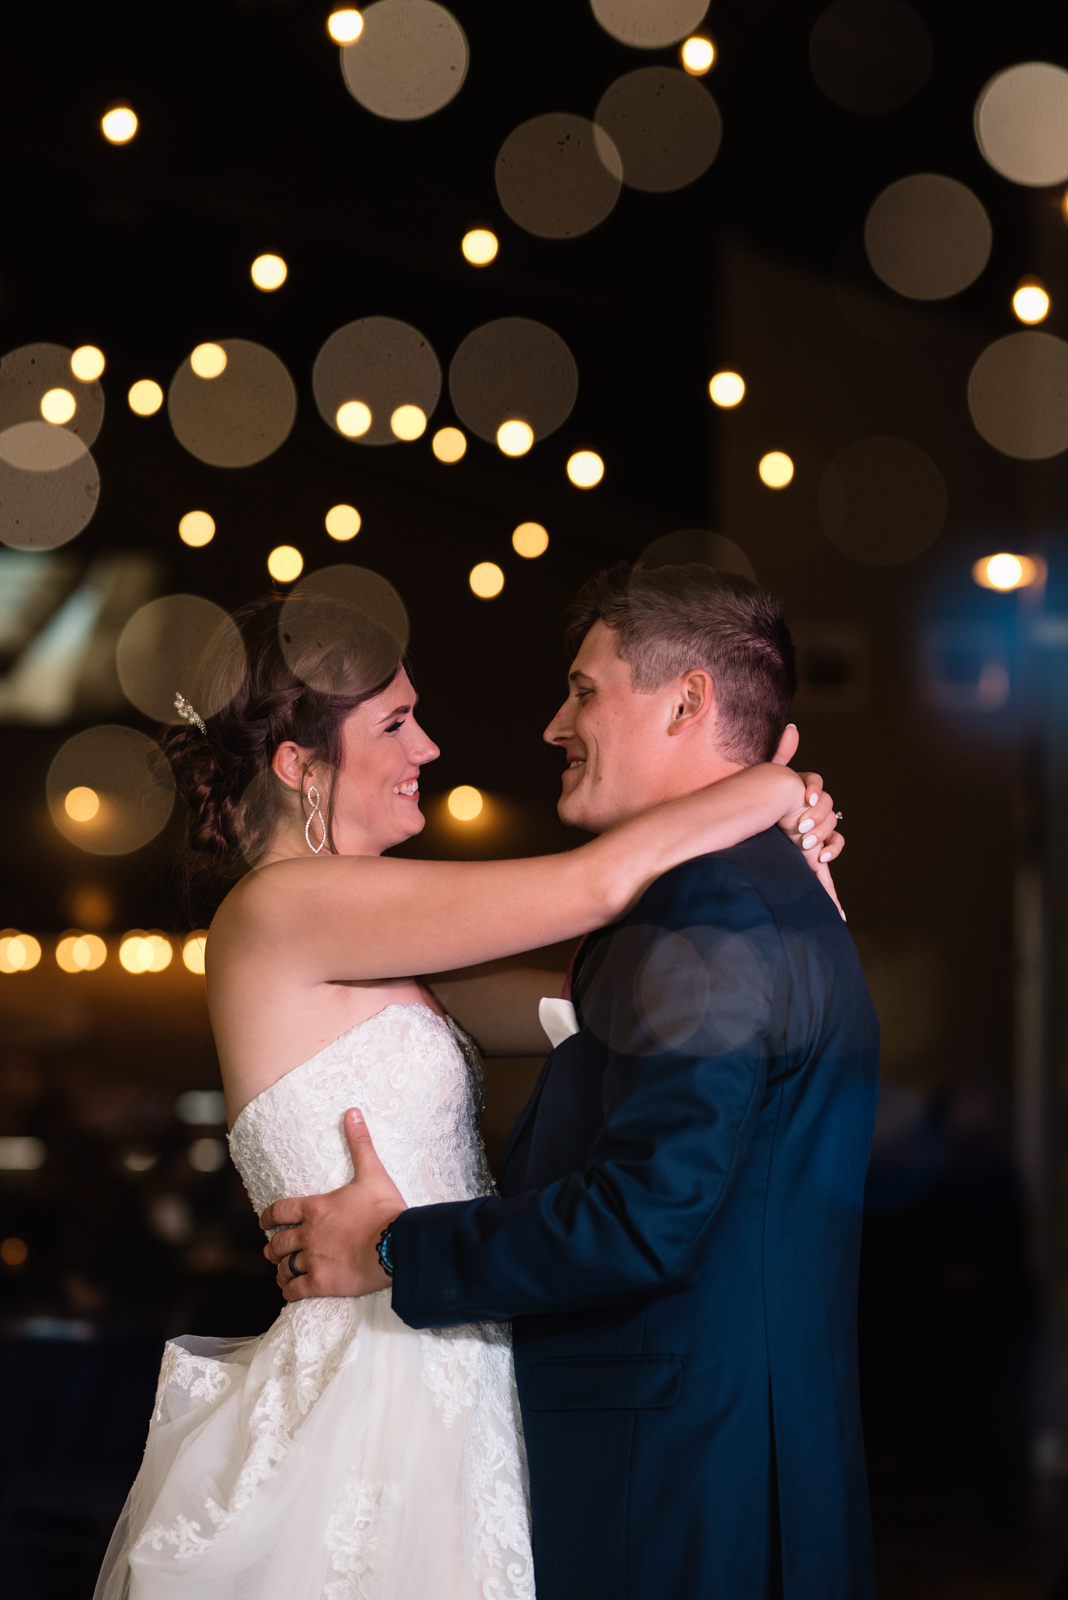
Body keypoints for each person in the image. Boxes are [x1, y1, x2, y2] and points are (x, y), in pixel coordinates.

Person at [93, 577, 842, 1600]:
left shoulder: (387, 949)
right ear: (301, 767)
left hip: (452, 1366)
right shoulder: (280, 910)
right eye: (397, 723)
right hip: (375, 1388)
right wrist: (770, 792)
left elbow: (600, 1009)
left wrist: (797, 895)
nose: (430, 747)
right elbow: (596, 885)